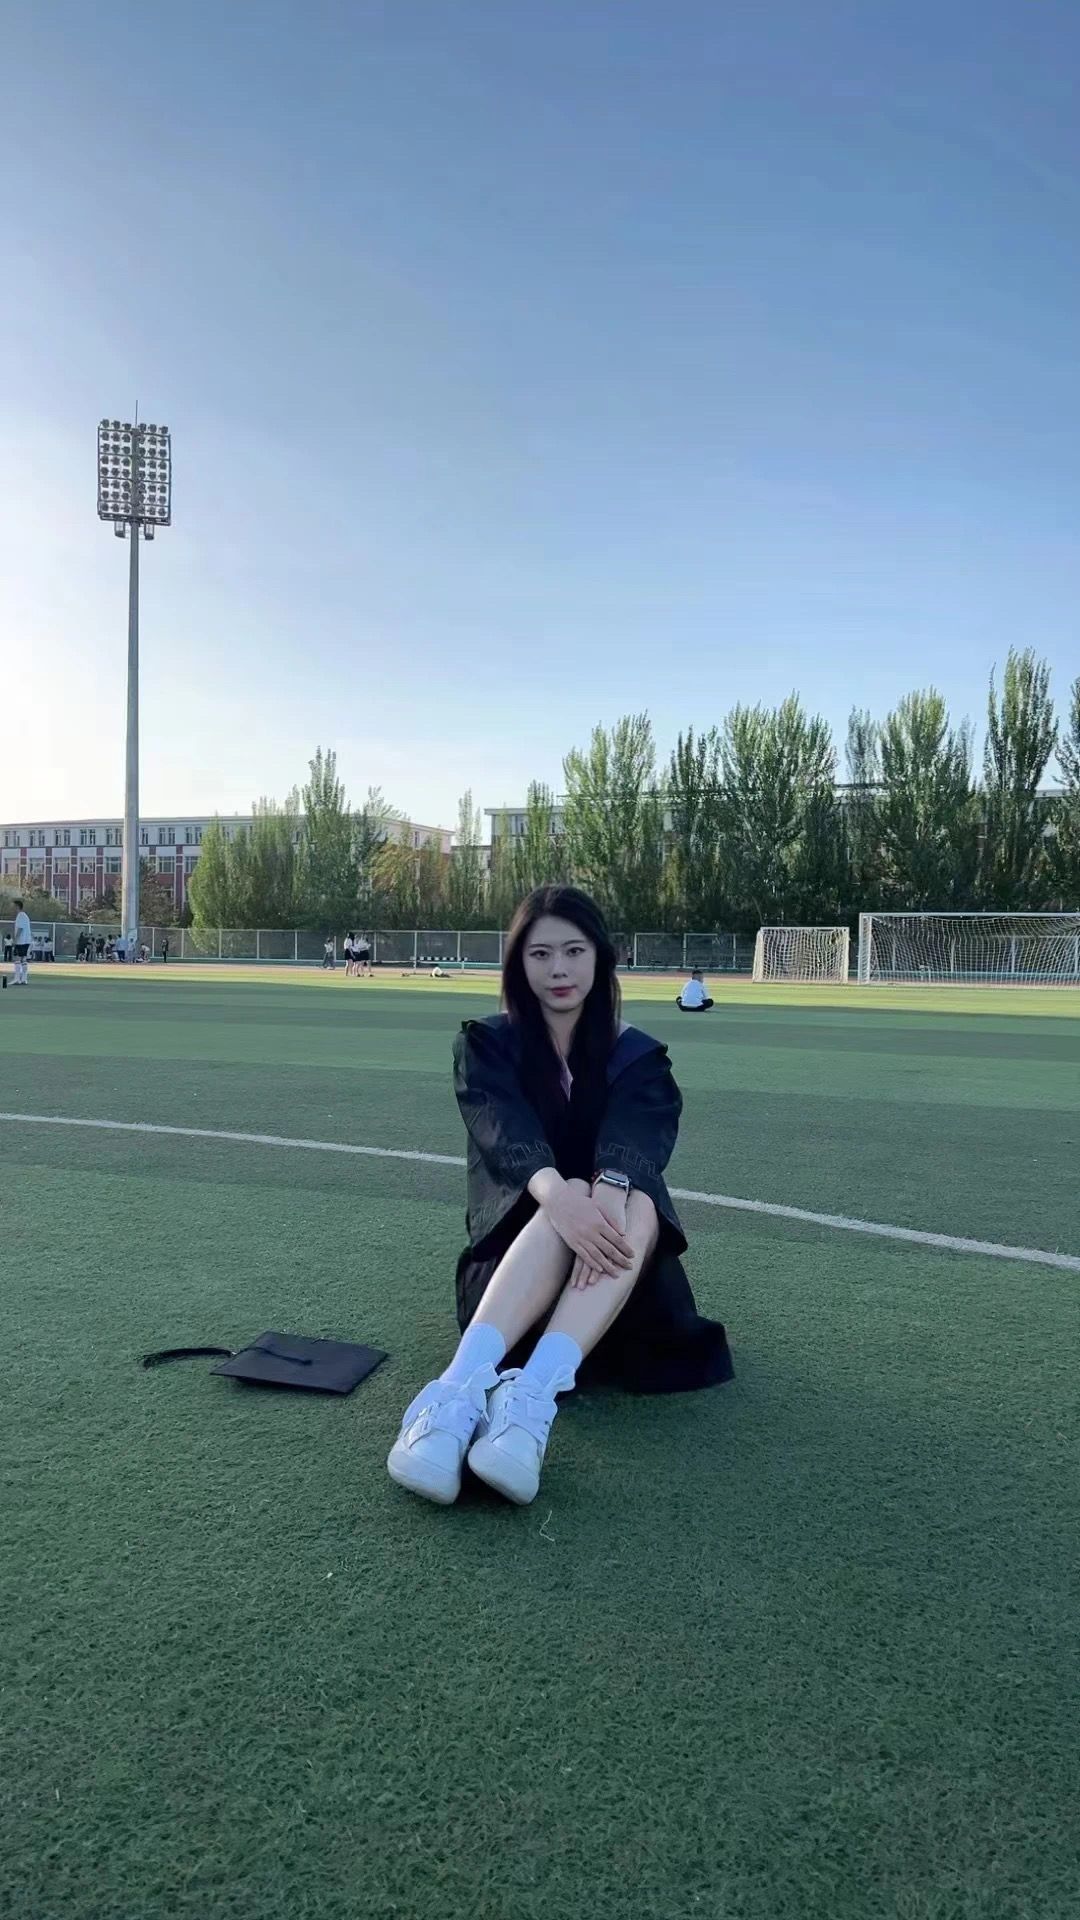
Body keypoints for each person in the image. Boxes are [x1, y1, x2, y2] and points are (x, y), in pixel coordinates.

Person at [387, 885, 733, 1509]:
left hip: (619, 1291)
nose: (559, 969)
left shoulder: (638, 1057)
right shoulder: (488, 1046)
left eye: (574, 951)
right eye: (540, 953)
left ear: (600, 957)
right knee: (567, 1192)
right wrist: (559, 1197)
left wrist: (604, 1189)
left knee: (635, 1199)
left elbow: (640, 1134)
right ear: (518, 963)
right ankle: (455, 1393)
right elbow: (503, 1131)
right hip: (512, 1293)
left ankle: (531, 1398)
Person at [11, 898, 32, 986]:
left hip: (21, 941)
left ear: (17, 906)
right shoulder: (25, 916)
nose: (12, 908)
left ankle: (17, 979)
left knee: (17, 958)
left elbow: (20, 928)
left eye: (13, 906)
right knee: (23, 959)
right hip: (26, 940)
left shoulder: (20, 915)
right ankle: (24, 979)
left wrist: (15, 940)